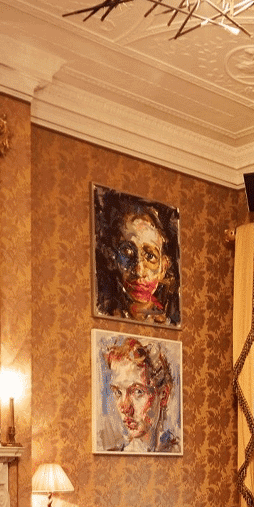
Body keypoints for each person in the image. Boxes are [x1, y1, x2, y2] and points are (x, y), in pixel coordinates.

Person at [94, 190, 180, 326]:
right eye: (127, 253)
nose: (139, 271)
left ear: (163, 267)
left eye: (150, 256)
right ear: (113, 258)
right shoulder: (105, 311)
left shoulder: (168, 320)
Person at [103, 336, 179, 453]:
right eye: (118, 392)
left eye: (138, 391)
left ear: (164, 395)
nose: (125, 408)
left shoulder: (176, 450)